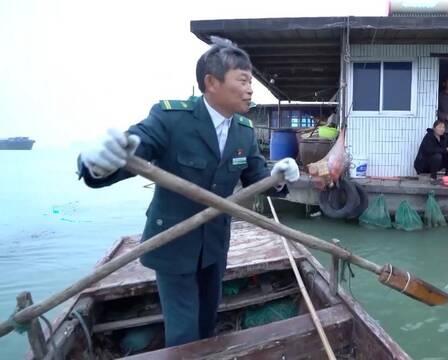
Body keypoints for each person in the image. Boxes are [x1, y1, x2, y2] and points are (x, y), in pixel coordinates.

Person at [76, 37, 300, 347]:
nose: (251, 89)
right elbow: (133, 150)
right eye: (243, 80)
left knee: (207, 321)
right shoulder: (171, 119)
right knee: (183, 334)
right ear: (211, 82)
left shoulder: (244, 131)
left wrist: (279, 177)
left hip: (215, 244)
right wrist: (98, 164)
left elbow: (257, 177)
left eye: (251, 82)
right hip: (173, 242)